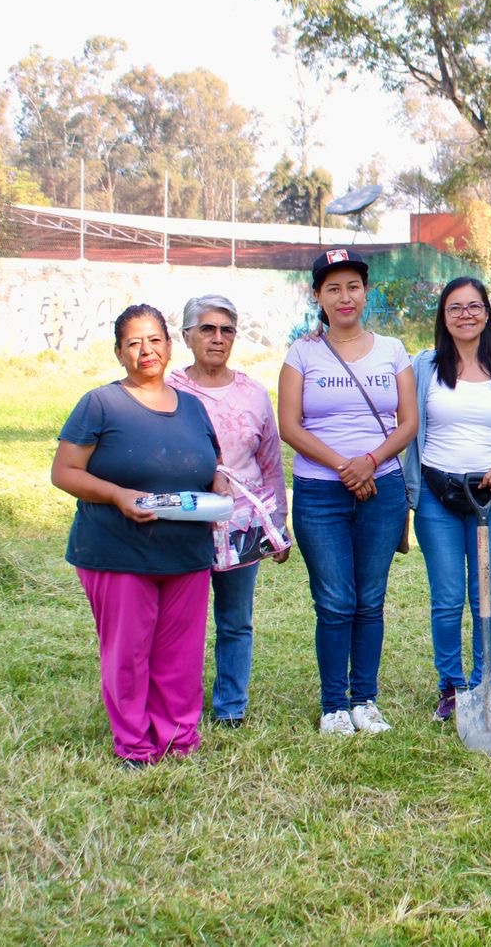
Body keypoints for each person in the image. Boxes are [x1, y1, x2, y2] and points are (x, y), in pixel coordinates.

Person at [51, 304, 224, 766]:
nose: (146, 350)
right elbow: (64, 472)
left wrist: (217, 482)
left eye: (154, 340)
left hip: (186, 552)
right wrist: (117, 495)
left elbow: (210, 462)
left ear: (169, 346)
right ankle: (135, 745)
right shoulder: (100, 403)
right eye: (134, 342)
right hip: (117, 550)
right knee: (128, 655)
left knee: (180, 657)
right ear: (119, 353)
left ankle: (179, 738)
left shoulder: (191, 405)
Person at [278, 249, 418, 736]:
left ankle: (366, 699)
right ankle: (334, 704)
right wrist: (344, 466)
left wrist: (371, 463)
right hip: (320, 492)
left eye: (353, 286)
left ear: (365, 291)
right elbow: (289, 425)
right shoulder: (302, 353)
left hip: (383, 488)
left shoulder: (393, 349)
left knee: (370, 599)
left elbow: (410, 422)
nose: (344, 297)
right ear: (317, 295)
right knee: (335, 599)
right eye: (333, 288)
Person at [403, 277, 491, 723]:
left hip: (489, 499)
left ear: (487, 314)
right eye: (455, 308)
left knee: (488, 598)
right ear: (443, 316)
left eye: (474, 306)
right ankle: (451, 686)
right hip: (439, 495)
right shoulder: (423, 366)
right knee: (447, 596)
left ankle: (486, 682)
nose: (465, 315)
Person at [170, 294, 290, 729]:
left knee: (236, 619)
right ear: (186, 336)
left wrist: (277, 527)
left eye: (226, 330)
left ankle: (230, 707)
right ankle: (178, 704)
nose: (217, 339)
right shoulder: (168, 391)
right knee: (181, 621)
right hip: (182, 522)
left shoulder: (253, 394)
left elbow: (271, 463)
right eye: (207, 329)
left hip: (241, 524)